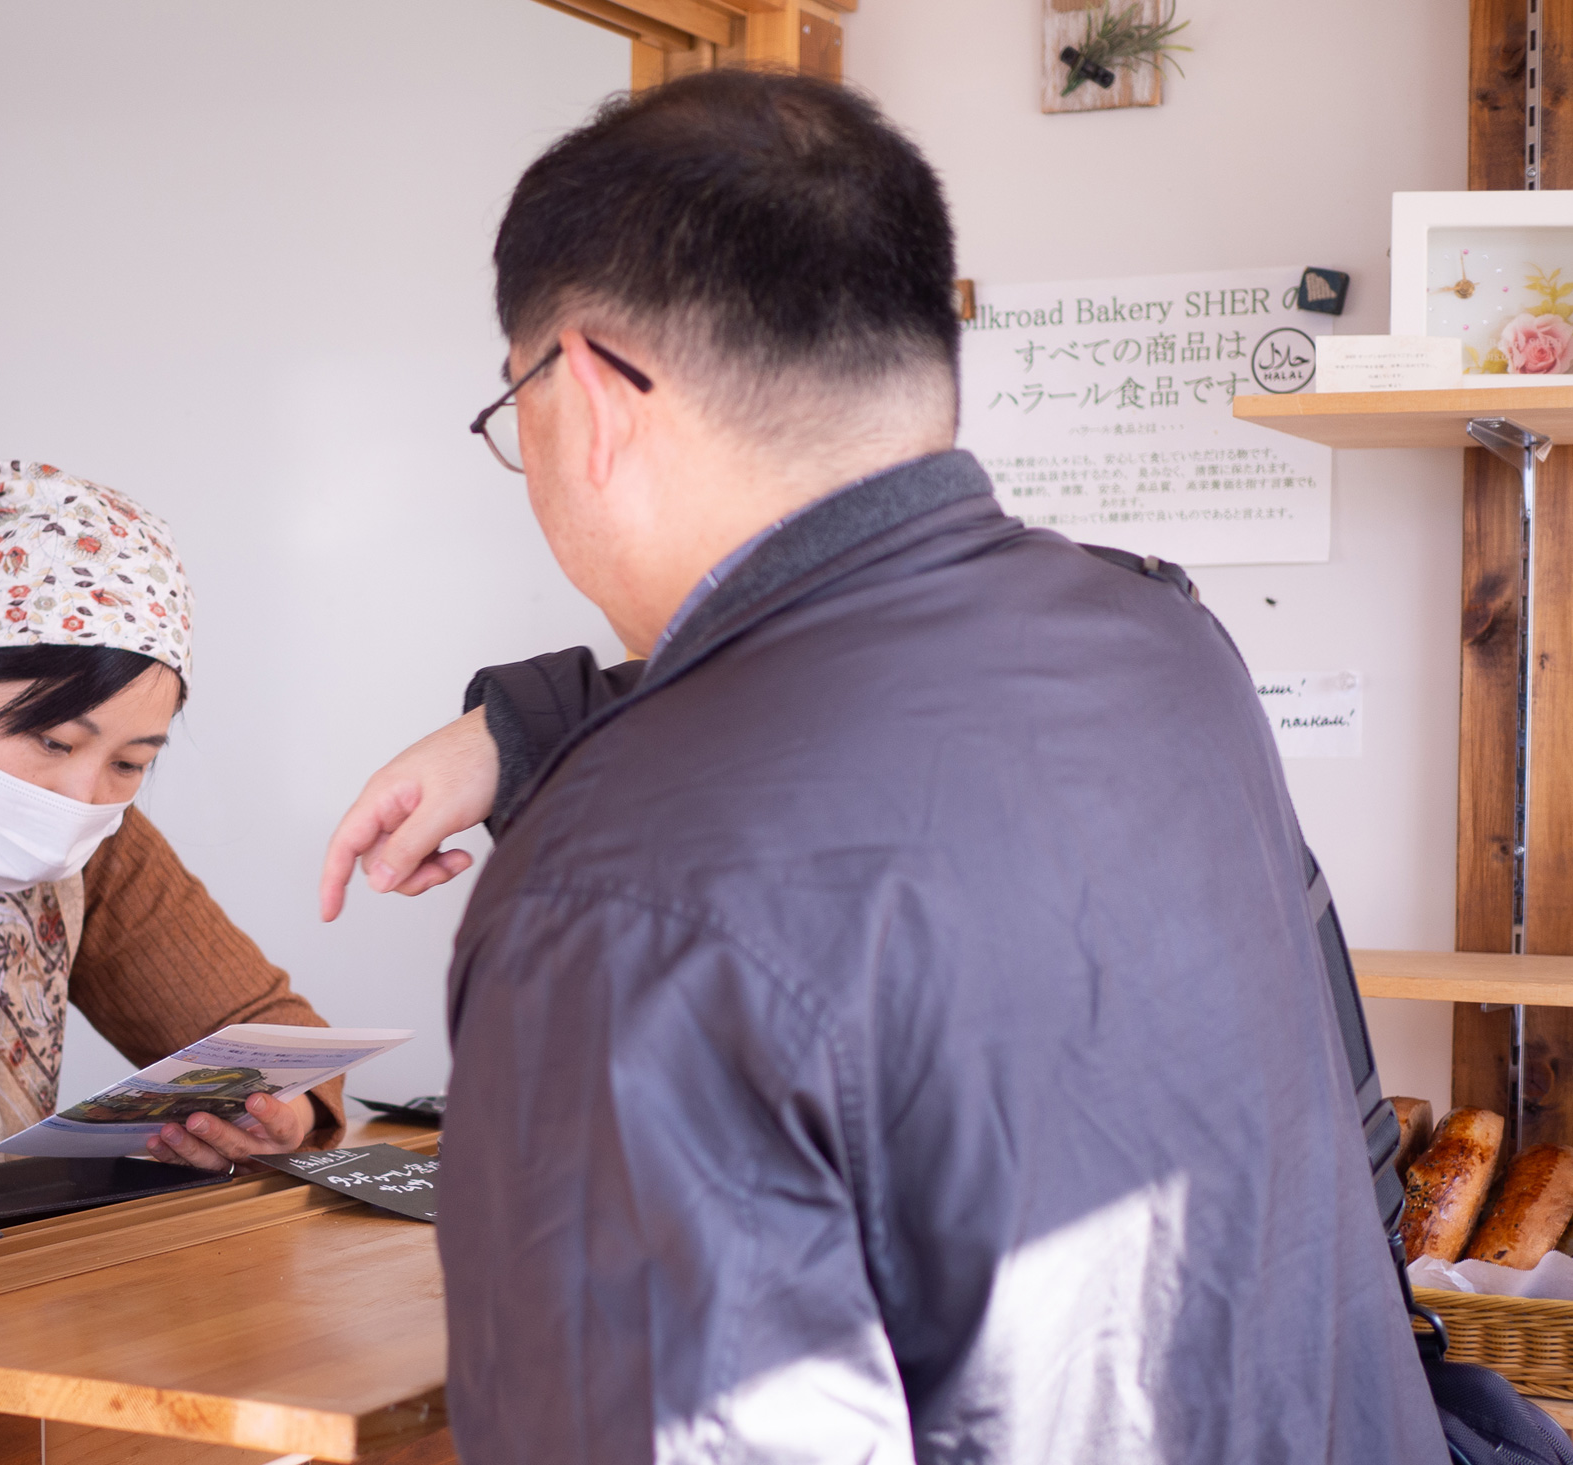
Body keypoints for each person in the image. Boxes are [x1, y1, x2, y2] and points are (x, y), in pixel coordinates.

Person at [319, 73, 1444, 1463]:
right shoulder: (1162, 648)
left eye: (515, 411)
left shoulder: (614, 893)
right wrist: (527, 725)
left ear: (590, 391)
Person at [0, 460, 339, 1172]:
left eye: (129, 763)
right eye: (53, 741)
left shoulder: (96, 851)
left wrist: (281, 1117)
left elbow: (274, 1040)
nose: (80, 795)